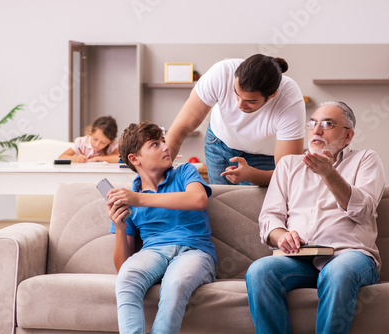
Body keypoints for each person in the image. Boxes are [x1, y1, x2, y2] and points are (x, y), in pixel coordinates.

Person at [245, 101, 385, 334]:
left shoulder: (366, 160)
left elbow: (363, 211)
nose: (317, 130)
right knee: (260, 270)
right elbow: (270, 216)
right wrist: (281, 236)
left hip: (349, 256)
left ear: (348, 135)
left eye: (328, 124)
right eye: (313, 124)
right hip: (299, 260)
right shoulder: (289, 164)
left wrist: (329, 175)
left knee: (338, 271)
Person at [105, 121, 216, 334]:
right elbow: (122, 268)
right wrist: (120, 227)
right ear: (134, 159)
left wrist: (140, 199)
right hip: (153, 252)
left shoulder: (184, 172)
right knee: (127, 279)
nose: (166, 147)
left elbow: (199, 199)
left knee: (176, 283)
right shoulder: (129, 199)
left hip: (194, 251)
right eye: (155, 144)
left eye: (163, 141)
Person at [165, 54, 305, 186]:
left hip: (263, 157)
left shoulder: (290, 101)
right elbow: (179, 129)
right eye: (236, 94)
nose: (239, 105)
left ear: (273, 94)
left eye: (251, 101)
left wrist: (251, 175)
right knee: (220, 202)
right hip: (219, 144)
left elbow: (287, 175)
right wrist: (158, 173)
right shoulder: (221, 74)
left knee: (255, 209)